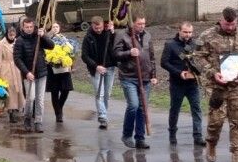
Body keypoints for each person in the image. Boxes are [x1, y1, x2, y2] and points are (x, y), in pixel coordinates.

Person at [195, 7, 238, 162]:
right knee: (217, 119)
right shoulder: (207, 36)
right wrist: (213, 73)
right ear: (220, 20)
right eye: (227, 24)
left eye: (233, 24)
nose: (230, 28)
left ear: (237, 21)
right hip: (216, 86)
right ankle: (211, 143)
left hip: (237, 86)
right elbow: (198, 57)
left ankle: (237, 157)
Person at [113, 14, 158, 149]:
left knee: (142, 108)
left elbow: (152, 57)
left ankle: (140, 138)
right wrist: (128, 53)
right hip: (129, 76)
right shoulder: (122, 36)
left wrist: (153, 74)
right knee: (133, 105)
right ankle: (126, 135)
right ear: (132, 24)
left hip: (145, 77)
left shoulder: (147, 36)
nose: (142, 26)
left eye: (144, 24)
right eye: (139, 24)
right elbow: (115, 54)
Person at [161, 21, 206, 146]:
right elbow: (164, 62)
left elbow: (201, 60)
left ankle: (198, 136)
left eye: (190, 32)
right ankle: (172, 134)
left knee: (196, 108)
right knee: (175, 109)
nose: (188, 35)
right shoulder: (170, 45)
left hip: (192, 83)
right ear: (179, 31)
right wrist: (178, 72)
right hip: (177, 83)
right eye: (185, 32)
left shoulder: (195, 44)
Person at [13, 17, 55, 132]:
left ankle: (38, 121)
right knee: (30, 98)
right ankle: (27, 118)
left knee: (40, 99)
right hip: (28, 74)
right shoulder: (19, 40)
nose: (29, 29)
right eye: (27, 27)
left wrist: (44, 36)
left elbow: (51, 46)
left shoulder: (38, 37)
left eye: (31, 27)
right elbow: (17, 59)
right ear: (23, 27)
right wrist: (26, 73)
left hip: (41, 72)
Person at [81, 17, 116, 129]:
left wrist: (113, 32)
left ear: (103, 24)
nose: (98, 30)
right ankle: (103, 116)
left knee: (107, 94)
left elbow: (116, 45)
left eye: (100, 27)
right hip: (96, 69)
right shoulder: (88, 37)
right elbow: (84, 56)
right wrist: (96, 66)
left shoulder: (108, 33)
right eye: (96, 28)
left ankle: (103, 114)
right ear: (92, 26)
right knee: (99, 93)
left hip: (109, 67)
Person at [0, 25, 24, 123]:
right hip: (5, 69)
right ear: (7, 33)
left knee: (17, 89)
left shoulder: (18, 42)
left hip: (17, 68)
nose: (12, 35)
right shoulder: (1, 43)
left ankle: (16, 108)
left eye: (14, 33)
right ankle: (11, 112)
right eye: (10, 33)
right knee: (9, 91)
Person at [46, 22, 74, 123]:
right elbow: (45, 51)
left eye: (57, 26)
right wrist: (51, 59)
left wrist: (70, 64)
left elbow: (71, 52)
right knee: (55, 92)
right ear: (50, 28)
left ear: (59, 28)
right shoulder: (47, 39)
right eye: (53, 27)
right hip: (52, 68)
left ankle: (59, 107)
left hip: (64, 68)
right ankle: (58, 114)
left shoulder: (64, 39)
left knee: (66, 90)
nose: (55, 28)